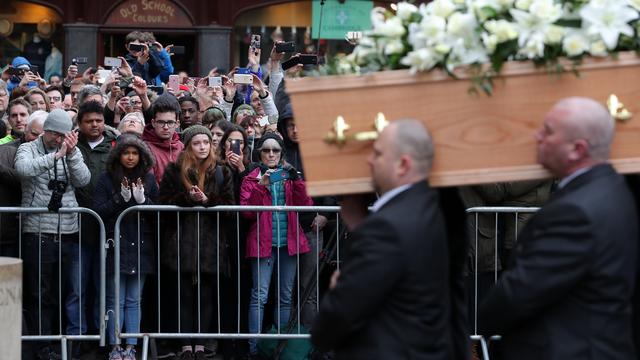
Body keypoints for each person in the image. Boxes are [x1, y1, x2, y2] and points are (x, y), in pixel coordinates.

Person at [478, 97, 638, 359]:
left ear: (577, 149)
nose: (537, 136)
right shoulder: (609, 188)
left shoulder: (576, 212)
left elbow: (520, 293)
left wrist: (482, 319)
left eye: (548, 131)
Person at [311, 119, 469, 359]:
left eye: (378, 153)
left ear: (403, 164)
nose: (369, 160)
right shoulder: (441, 211)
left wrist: (339, 288)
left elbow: (336, 320)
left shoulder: (385, 229)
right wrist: (360, 222)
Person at [14, 109, 91, 359]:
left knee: (63, 292)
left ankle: (60, 343)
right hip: (37, 231)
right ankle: (41, 345)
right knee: (40, 293)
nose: (59, 139)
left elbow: (83, 180)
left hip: (67, 231)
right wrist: (55, 156)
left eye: (63, 135)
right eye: (55, 135)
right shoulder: (28, 148)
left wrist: (70, 156)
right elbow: (23, 170)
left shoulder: (72, 150)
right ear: (45, 130)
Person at [158, 125, 235, 360]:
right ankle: (184, 344)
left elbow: (230, 207)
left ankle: (200, 344)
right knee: (182, 295)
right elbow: (163, 202)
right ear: (188, 146)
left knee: (205, 295)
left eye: (206, 142)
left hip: (210, 242)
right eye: (197, 143)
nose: (203, 147)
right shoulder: (174, 170)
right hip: (181, 242)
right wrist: (186, 199)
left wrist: (208, 200)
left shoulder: (221, 171)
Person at [239, 132, 313, 358]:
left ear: (282, 154)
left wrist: (297, 180)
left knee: (285, 297)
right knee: (259, 296)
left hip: (288, 243)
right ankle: (254, 348)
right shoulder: (251, 177)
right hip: (262, 243)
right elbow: (248, 212)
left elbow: (306, 204)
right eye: (266, 150)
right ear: (259, 153)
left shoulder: (290, 176)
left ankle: (281, 349)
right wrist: (262, 186)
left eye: (275, 150)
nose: (271, 154)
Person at [94, 133, 158, 360]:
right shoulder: (106, 179)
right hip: (116, 246)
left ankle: (131, 345)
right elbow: (97, 212)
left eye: (134, 153)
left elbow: (159, 213)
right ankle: (114, 344)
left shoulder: (149, 180)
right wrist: (119, 200)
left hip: (141, 246)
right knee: (115, 299)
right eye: (126, 153)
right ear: (118, 155)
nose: (130, 157)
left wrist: (144, 202)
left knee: (134, 299)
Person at [142, 94, 184, 184]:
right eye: (161, 122)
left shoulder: (182, 147)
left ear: (177, 124)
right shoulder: (144, 148)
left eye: (170, 122)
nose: (165, 127)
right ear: (153, 123)